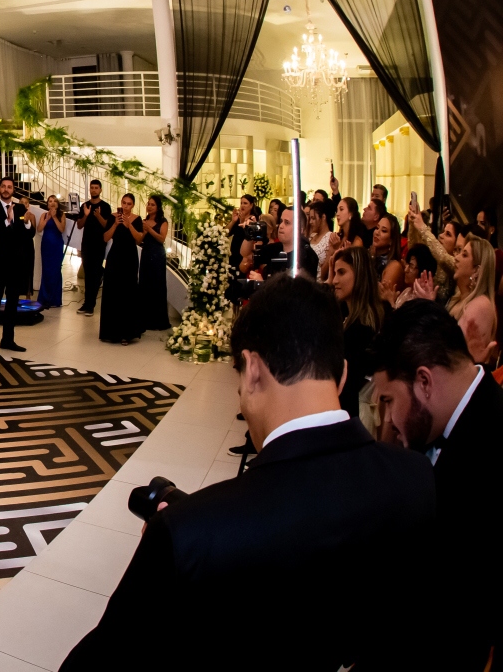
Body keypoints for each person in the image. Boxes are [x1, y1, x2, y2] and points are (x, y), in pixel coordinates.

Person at [61, 275, 437, 672]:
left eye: (239, 376)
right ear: (342, 374)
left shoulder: (187, 533)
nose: (240, 392)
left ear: (253, 369)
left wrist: (169, 557)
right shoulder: (415, 478)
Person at [370, 301, 501, 670]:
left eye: (389, 401)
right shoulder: (452, 420)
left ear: (424, 381)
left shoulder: (489, 451)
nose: (388, 419)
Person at [415, 234, 497, 364]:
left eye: (464, 255)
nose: (456, 258)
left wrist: (430, 307)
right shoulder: (458, 299)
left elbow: (455, 353)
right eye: (459, 252)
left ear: (476, 270)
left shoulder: (481, 304)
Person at [330, 246, 385, 418]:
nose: (334, 280)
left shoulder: (362, 330)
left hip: (351, 415)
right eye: (334, 273)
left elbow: (347, 386)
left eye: (341, 273)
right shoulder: (345, 316)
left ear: (359, 275)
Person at [0, 177, 32, 355]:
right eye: (3, 186)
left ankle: (8, 340)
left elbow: (27, 235)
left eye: (9, 187)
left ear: (13, 190)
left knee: (12, 304)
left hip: (15, 265)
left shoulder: (20, 208)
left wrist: (26, 223)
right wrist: (8, 221)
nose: (6, 189)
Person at [99, 193, 144, 345]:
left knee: (128, 293)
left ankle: (127, 334)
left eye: (128, 204)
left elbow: (139, 239)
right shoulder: (113, 217)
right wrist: (115, 224)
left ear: (133, 205)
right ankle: (112, 332)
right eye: (124, 203)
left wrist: (129, 225)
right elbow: (105, 238)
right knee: (113, 291)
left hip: (130, 258)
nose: (125, 206)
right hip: (115, 256)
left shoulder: (137, 219)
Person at [75, 180, 111, 317]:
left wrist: (98, 216)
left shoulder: (105, 207)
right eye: (92, 188)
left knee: (95, 275)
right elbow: (79, 225)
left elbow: (107, 226)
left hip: (99, 245)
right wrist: (86, 215)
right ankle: (86, 303)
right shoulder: (85, 205)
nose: (94, 190)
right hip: (86, 245)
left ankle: (91, 305)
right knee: (88, 274)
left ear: (100, 190)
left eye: (96, 188)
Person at [138, 195, 170, 330]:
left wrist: (149, 229)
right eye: (148, 204)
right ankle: (145, 319)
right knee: (145, 284)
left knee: (157, 285)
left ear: (158, 207)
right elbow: (139, 240)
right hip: (146, 254)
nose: (149, 207)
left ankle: (158, 320)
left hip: (157, 256)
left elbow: (162, 238)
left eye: (152, 205)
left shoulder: (163, 221)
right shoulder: (144, 221)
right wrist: (144, 231)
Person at [37, 195, 66, 309]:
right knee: (46, 270)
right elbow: (39, 229)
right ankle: (44, 298)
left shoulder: (61, 215)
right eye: (50, 201)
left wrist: (54, 217)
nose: (52, 203)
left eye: (54, 201)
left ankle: (54, 299)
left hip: (57, 246)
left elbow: (62, 229)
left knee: (56, 270)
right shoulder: (44, 215)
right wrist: (47, 219)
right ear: (47, 204)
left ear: (57, 204)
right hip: (46, 246)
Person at [387, 243, 438, 309]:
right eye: (407, 264)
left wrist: (391, 302)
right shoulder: (407, 291)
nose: (406, 270)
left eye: (411, 266)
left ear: (422, 271)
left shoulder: (422, 299)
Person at [370, 212, 404, 293]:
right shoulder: (370, 256)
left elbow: (380, 295)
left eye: (384, 231)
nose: (377, 233)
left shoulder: (394, 266)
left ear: (391, 240)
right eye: (377, 228)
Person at [305, 200, 333, 278]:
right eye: (310, 219)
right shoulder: (311, 236)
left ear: (323, 217)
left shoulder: (331, 237)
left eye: (313, 218)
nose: (310, 222)